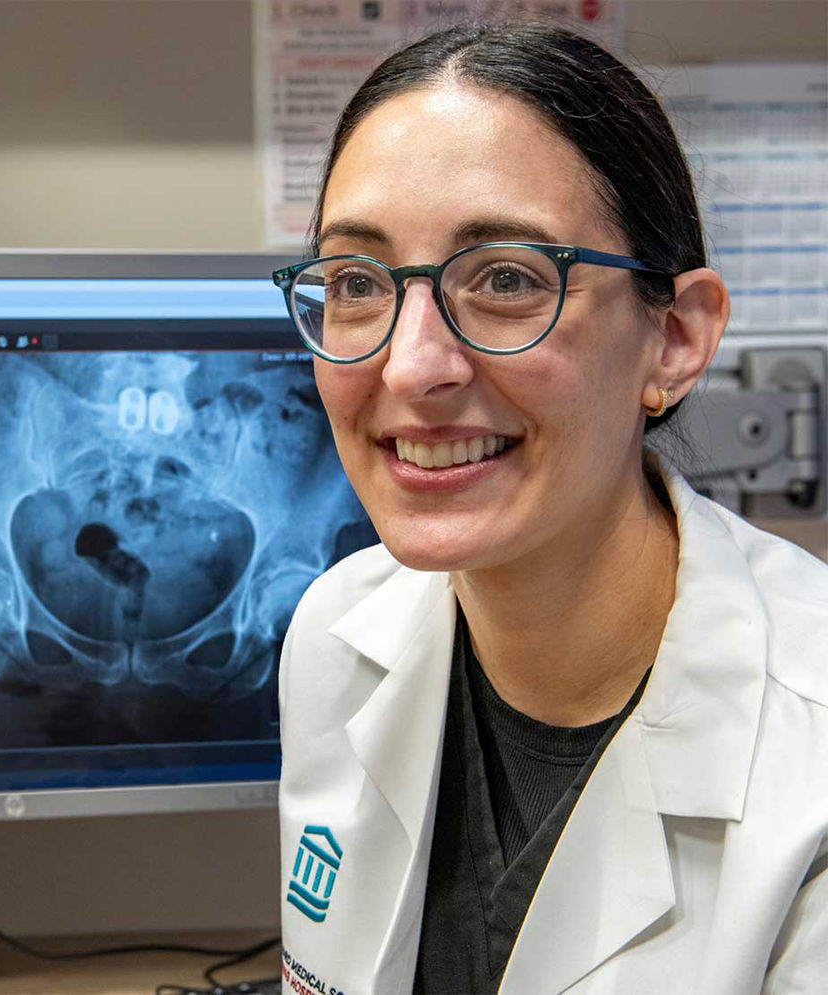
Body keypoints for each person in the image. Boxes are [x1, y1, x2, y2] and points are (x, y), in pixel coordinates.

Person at [274, 20, 828, 995]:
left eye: (503, 280)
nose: (409, 366)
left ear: (674, 339)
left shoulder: (809, 763)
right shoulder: (334, 634)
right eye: (356, 282)